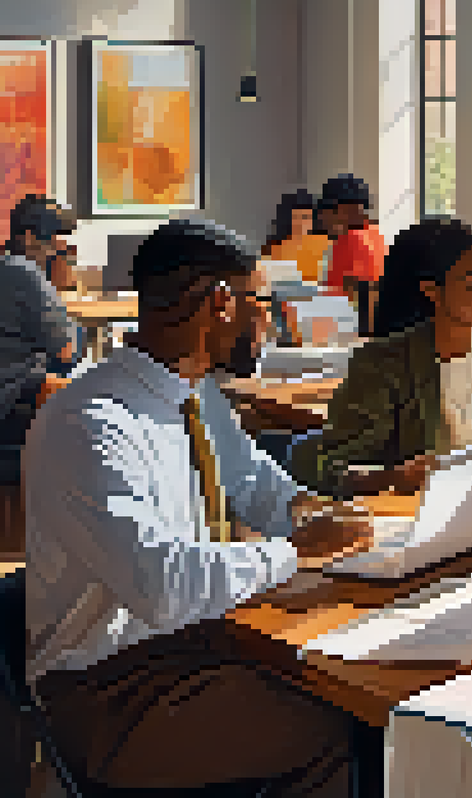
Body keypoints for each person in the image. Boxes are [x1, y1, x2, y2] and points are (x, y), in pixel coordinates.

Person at [23, 218, 374, 795]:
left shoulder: (196, 394)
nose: (270, 320)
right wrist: (292, 552)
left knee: (346, 684)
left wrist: (312, 514)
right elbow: (163, 587)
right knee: (344, 727)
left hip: (201, 647)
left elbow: (253, 480)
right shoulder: (91, 425)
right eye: (262, 301)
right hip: (109, 693)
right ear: (221, 303)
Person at [289, 217, 472, 497]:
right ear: (432, 291)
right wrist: (392, 478)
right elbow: (332, 468)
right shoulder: (381, 365)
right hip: (408, 521)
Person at [0, 195, 80, 555]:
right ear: (29, 237)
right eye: (55, 240)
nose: (58, 249)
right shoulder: (24, 272)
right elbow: (67, 353)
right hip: (12, 405)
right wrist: (60, 288)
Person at [316, 174, 387, 332]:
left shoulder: (351, 240)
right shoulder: (376, 236)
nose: (321, 218)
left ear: (343, 210)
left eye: (325, 210)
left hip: (350, 331)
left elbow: (345, 298)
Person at [262, 188, 330, 284]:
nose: (302, 223)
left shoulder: (324, 243)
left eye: (306, 218)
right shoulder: (273, 248)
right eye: (296, 218)